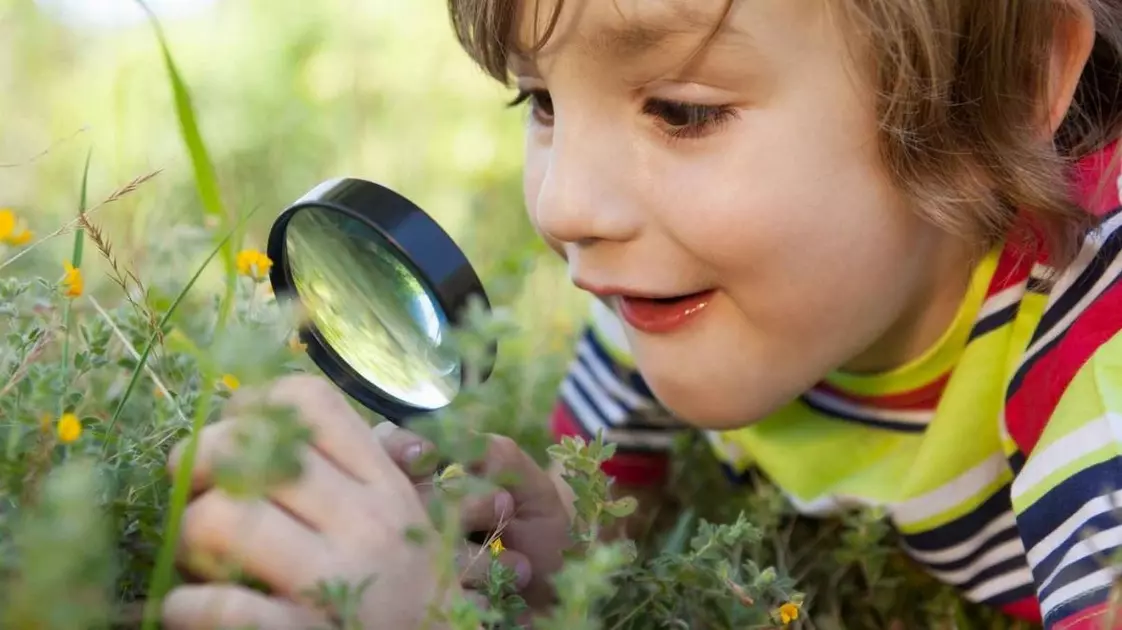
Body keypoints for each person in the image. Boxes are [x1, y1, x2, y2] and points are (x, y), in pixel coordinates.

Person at [161, 0, 1122, 628]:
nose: (565, 207)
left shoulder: (1096, 346)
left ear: (1011, 82)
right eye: (540, 101)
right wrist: (554, 564)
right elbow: (606, 532)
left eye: (682, 110)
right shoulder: (667, 297)